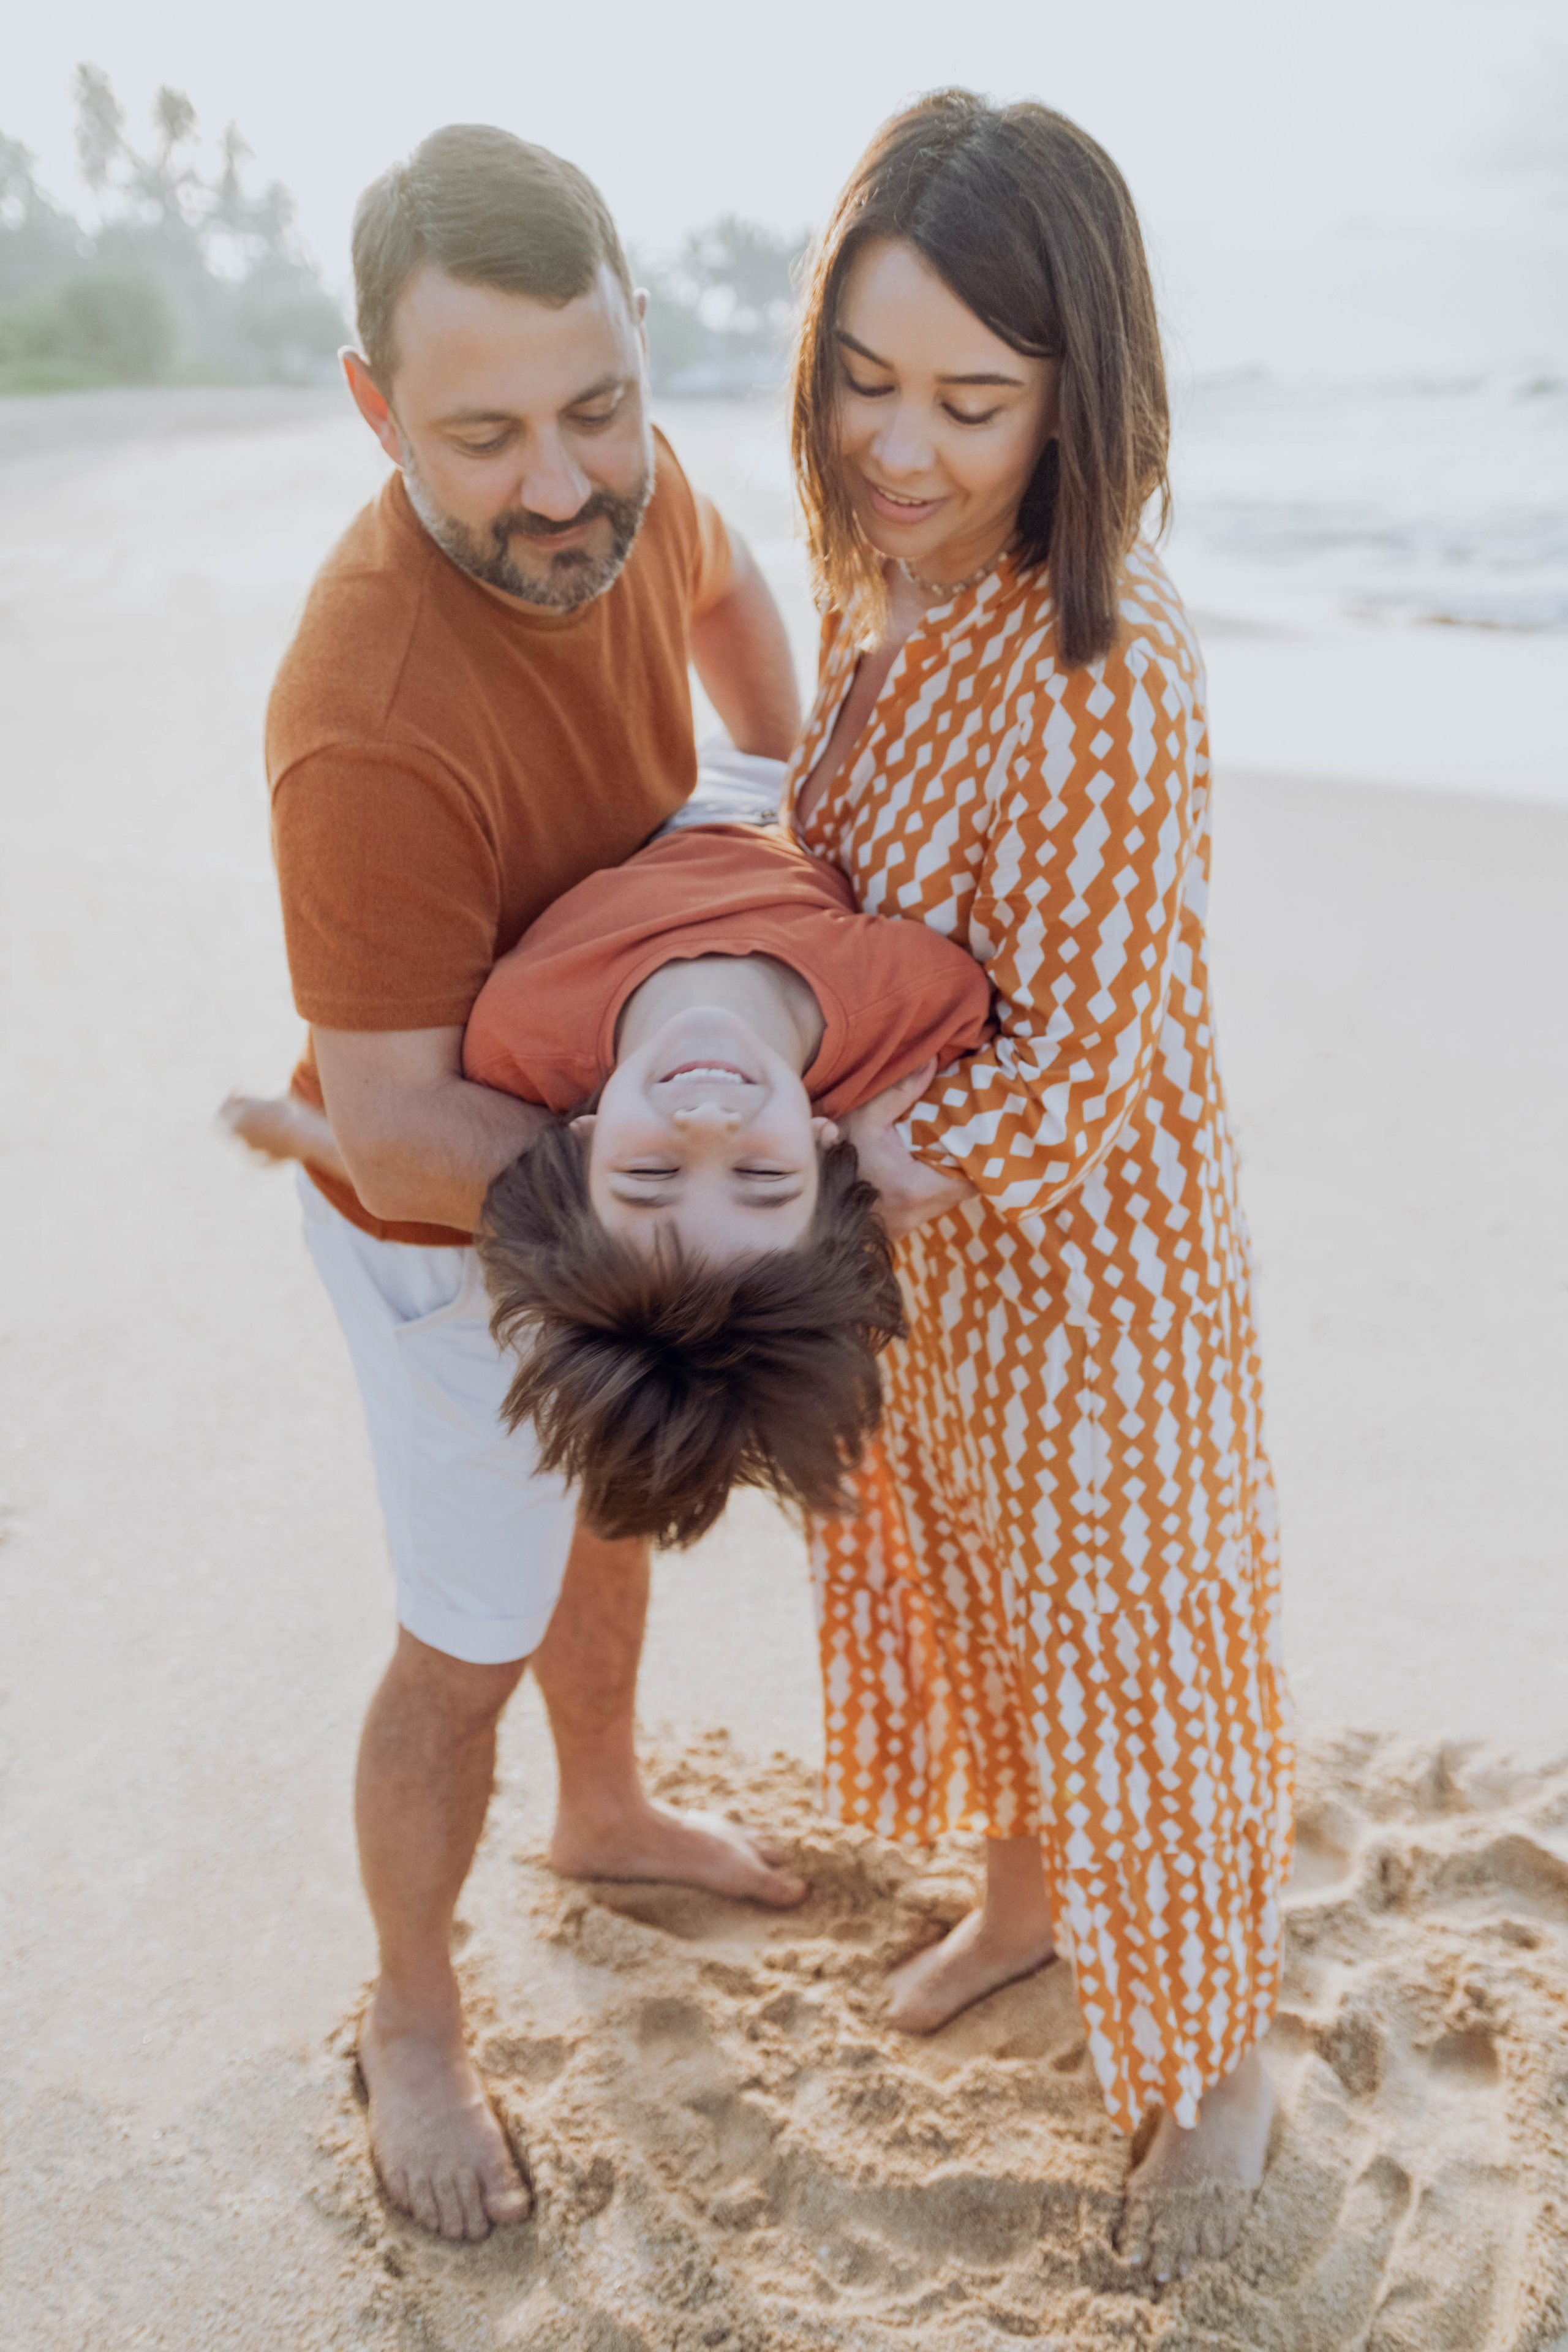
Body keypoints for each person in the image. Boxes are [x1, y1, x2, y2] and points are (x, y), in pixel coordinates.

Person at [258, 123, 806, 2246]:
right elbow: (394, 1120)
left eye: (599, 408)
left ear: (643, 350)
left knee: (603, 1506)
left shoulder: (640, 491)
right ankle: (410, 2008)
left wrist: (798, 809)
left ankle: (604, 1808)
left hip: (605, 1090)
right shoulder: (361, 712)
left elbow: (734, 588)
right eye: (482, 437)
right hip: (434, 1222)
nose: (565, 485)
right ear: (375, 408)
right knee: (463, 1636)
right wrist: (725, 1177)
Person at [784, 91, 1291, 2285]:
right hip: (926, 1262)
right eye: (865, 382)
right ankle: (1016, 1899)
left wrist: (839, 1159)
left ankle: (1215, 2067)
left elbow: (1071, 1074)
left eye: (969, 405)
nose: (902, 447)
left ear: (1081, 397)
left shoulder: (1111, 661)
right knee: (970, 1584)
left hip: (1087, 1267)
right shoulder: (886, 582)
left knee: (1129, 1645)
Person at [229, 811, 992, 1544]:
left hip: (662, 814)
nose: (706, 1123)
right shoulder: (910, 1005)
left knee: (481, 1225)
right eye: (761, 1173)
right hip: (763, 797)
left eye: (652, 1172)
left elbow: (448, 1169)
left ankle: (306, 1134)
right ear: (825, 1147)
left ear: (580, 1141)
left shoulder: (515, 1044)